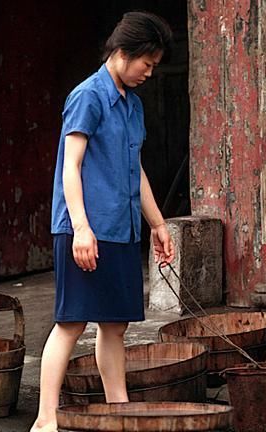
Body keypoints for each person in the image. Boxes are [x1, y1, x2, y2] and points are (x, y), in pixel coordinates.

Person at [31, 12, 175, 432]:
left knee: (115, 325)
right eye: (146, 64)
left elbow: (135, 168)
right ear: (124, 53)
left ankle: (120, 411)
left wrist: (158, 224)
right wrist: (80, 227)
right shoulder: (88, 96)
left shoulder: (133, 105)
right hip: (85, 230)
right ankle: (45, 419)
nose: (149, 73)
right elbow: (70, 167)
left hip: (122, 228)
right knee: (71, 322)